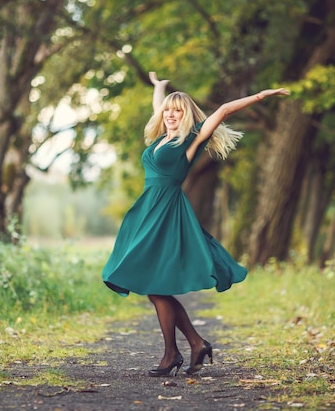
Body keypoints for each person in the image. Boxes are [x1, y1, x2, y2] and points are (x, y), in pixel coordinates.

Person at [102, 72, 290, 377]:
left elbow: (225, 109)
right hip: (149, 210)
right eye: (167, 110)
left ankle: (172, 353)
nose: (170, 114)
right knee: (154, 288)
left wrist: (261, 95)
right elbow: (157, 109)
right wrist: (159, 88)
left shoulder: (190, 140)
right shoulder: (161, 138)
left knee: (156, 287)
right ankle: (194, 342)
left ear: (187, 115)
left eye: (177, 110)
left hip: (167, 212)